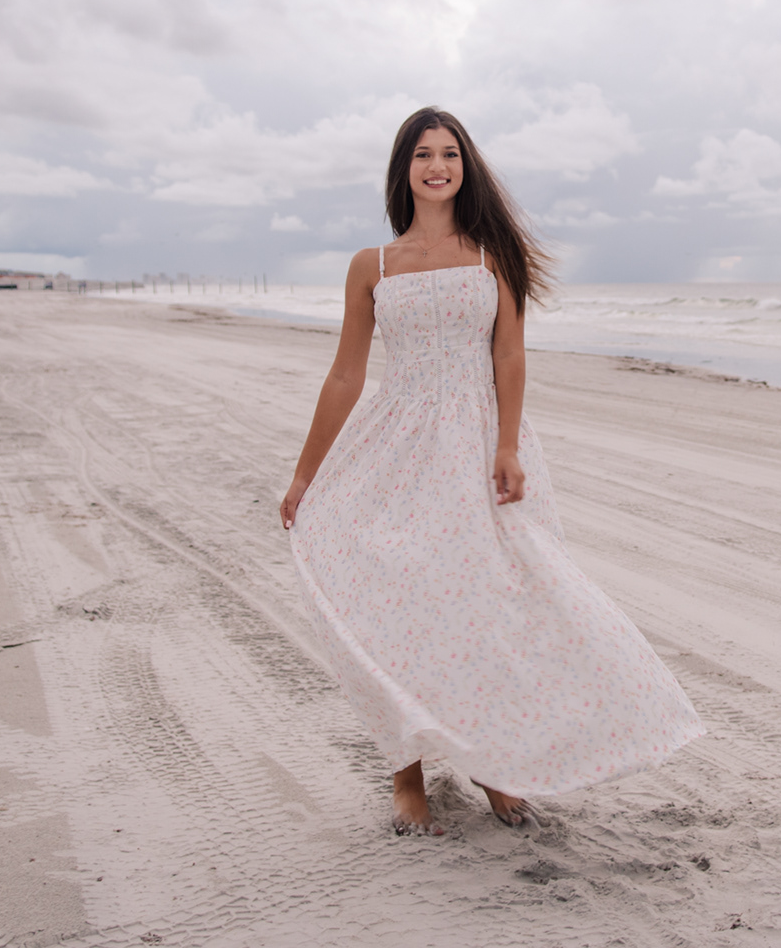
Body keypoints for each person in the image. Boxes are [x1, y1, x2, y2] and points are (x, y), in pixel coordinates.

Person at [280, 106, 704, 835]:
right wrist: (304, 476)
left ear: (465, 167)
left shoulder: (491, 255)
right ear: (403, 170)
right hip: (393, 446)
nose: (437, 165)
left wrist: (506, 446)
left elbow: (509, 355)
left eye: (450, 153)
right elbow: (347, 377)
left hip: (476, 445)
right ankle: (406, 776)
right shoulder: (370, 266)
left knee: (493, 604)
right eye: (422, 155)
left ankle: (495, 766)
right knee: (398, 608)